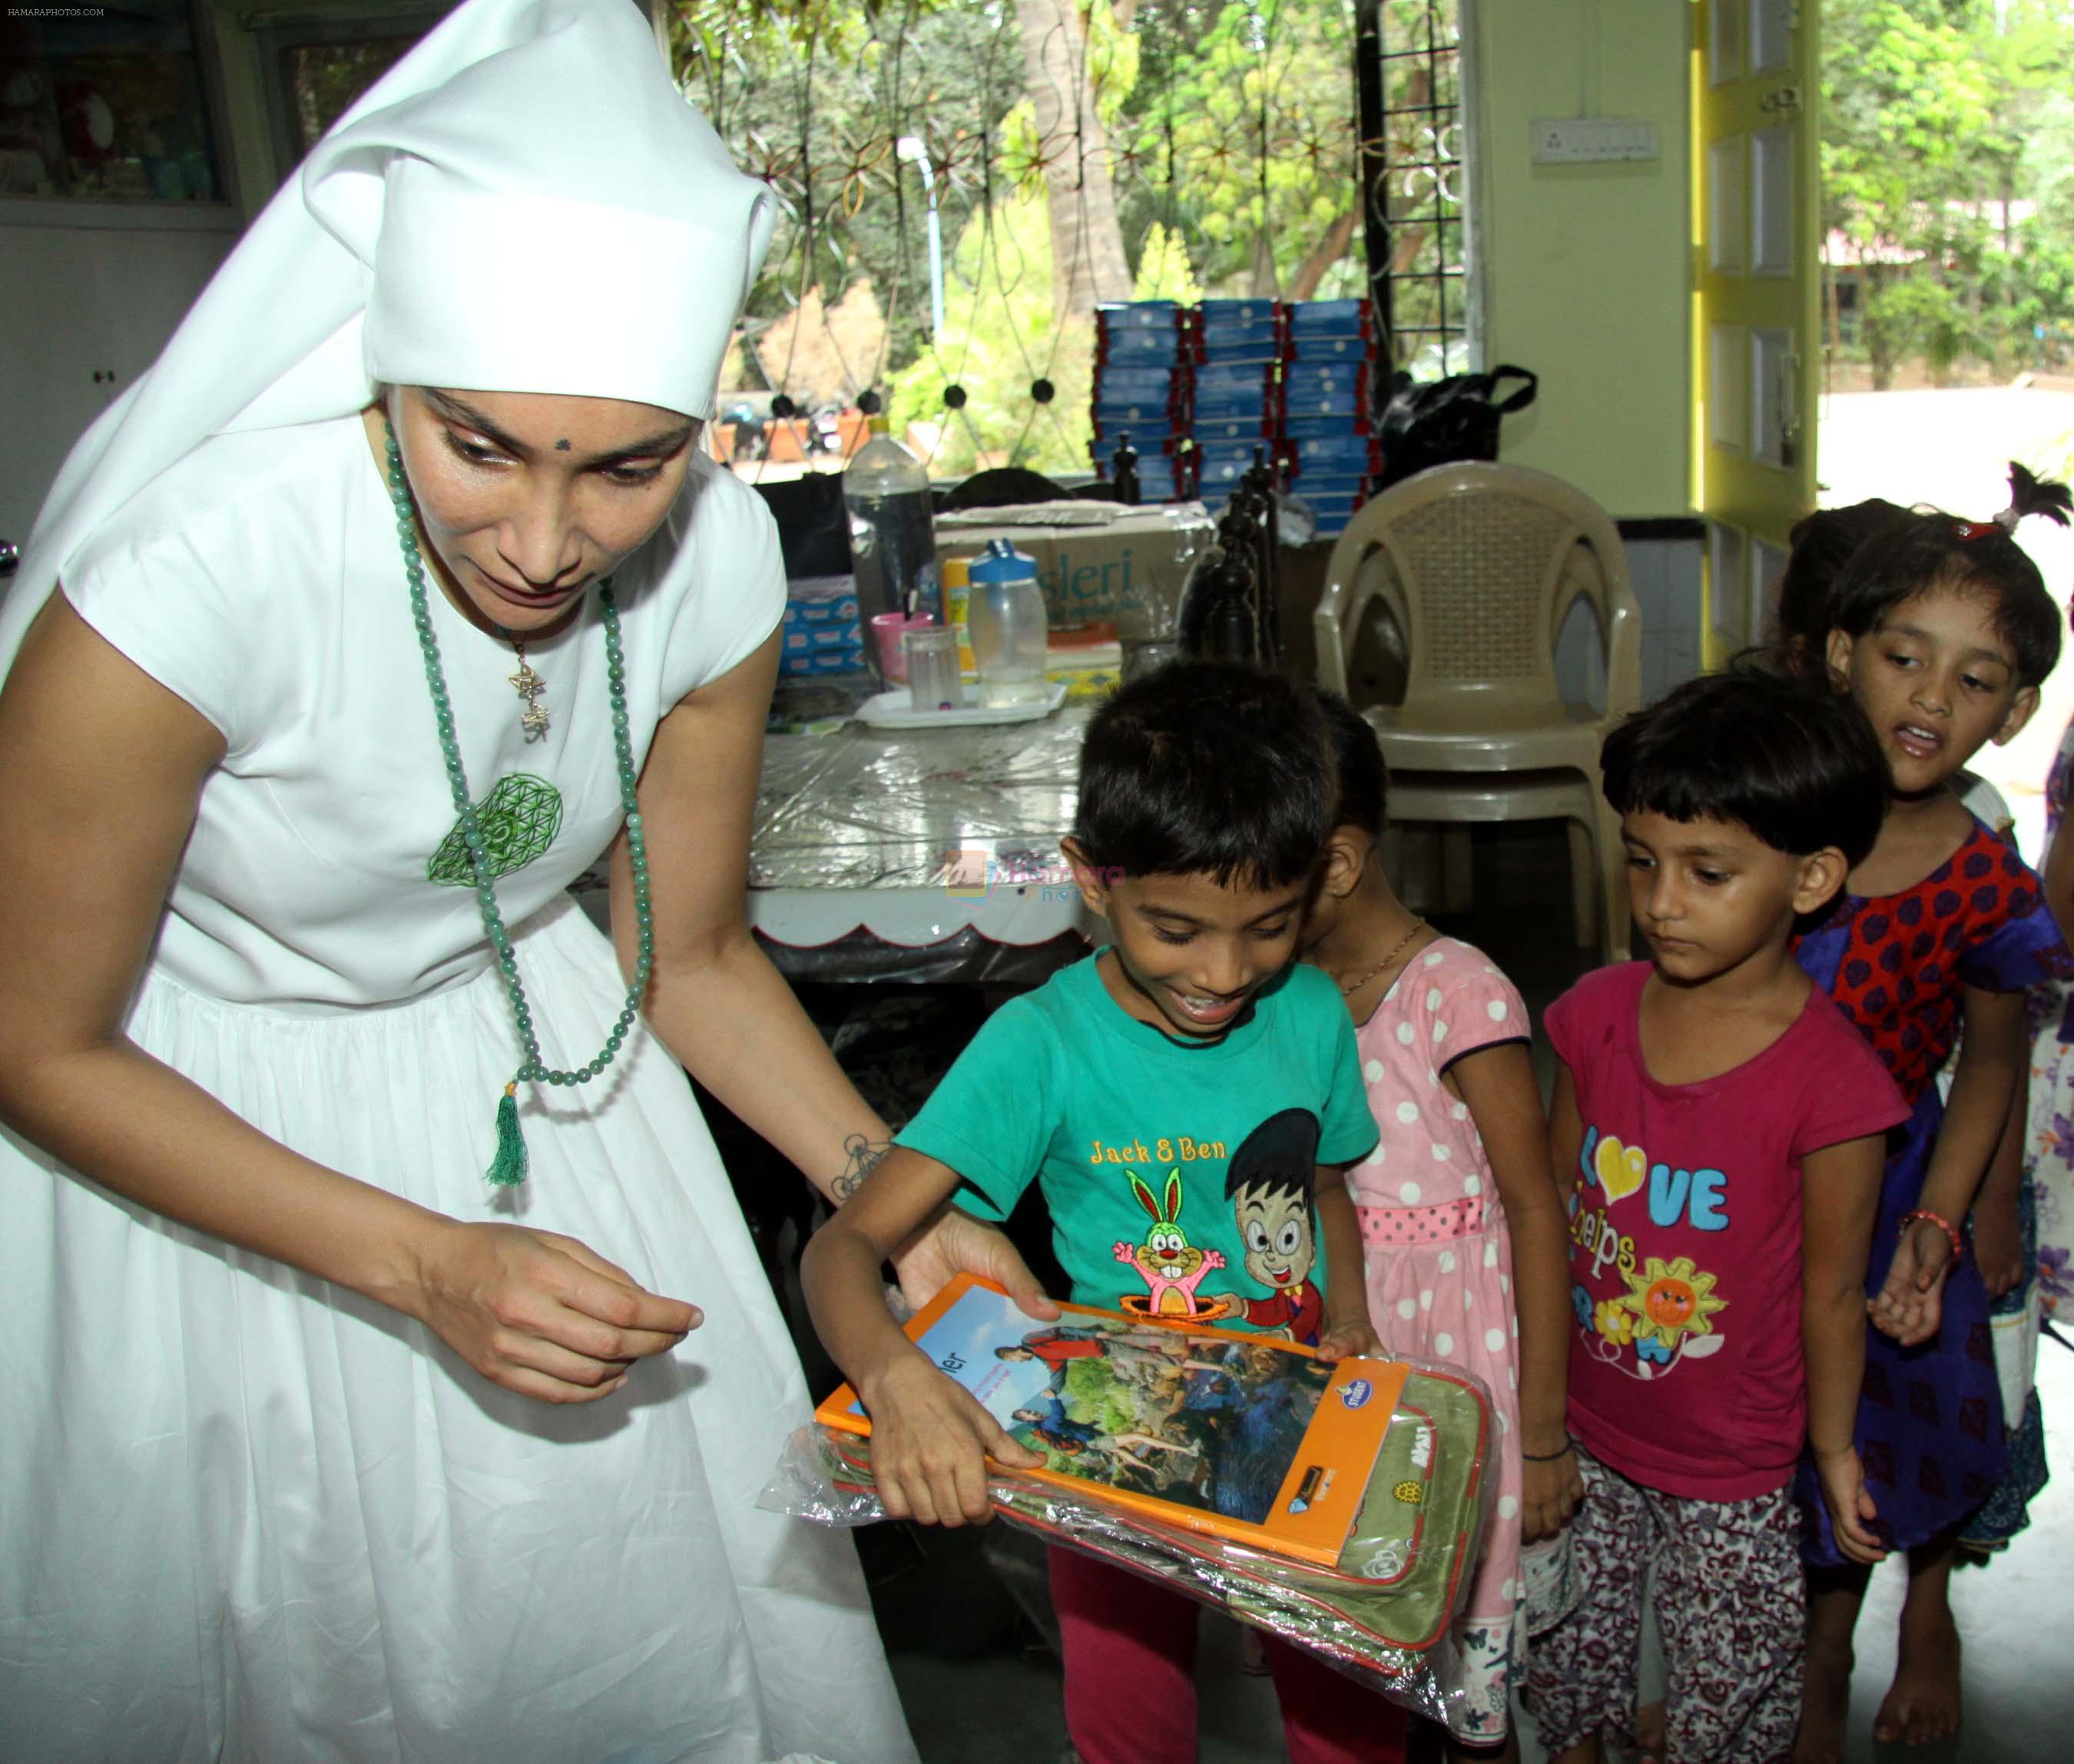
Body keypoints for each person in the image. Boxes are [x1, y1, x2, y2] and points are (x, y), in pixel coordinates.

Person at [0, 3, 1044, 1758]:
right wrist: (420, 1266)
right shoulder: (191, 580)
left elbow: (689, 953)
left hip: (536, 1071)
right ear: (386, 370)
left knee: (601, 1615)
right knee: (281, 1629)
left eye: (625, 465)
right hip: (188, 1111)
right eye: (477, 447)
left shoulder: (710, 570)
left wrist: (891, 1192)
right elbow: (37, 1043)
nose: (547, 544)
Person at [800, 660, 1408, 1764]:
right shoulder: (1042, 1044)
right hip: (1116, 1437)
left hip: (1300, 1418)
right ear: (1090, 878)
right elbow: (844, 1246)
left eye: (1270, 925)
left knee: (1348, 1709)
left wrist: (1352, 1316)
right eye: (1176, 928)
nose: (1225, 973)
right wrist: (895, 1381)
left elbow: (1322, 1176)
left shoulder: (1310, 1008)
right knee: (1129, 1722)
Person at [1526, 668, 1910, 1764]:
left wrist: (1833, 1451)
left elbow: (1833, 1289)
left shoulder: (1833, 1084)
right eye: (1642, 859)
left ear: (1812, 877)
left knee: (1729, 1690)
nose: (1660, 902)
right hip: (1590, 1434)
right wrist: (1539, 1407)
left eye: (1708, 871)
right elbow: (1554, 1212)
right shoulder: (1593, 1016)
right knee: (1568, 1657)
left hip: (1734, 1460)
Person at [1788, 468, 2073, 1761]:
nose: (1931, 698)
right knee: (1792, 1403)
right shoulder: (1778, 822)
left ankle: (1931, 1605)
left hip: (1911, 1172)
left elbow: (1996, 1055)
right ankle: (1821, 1635)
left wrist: (1953, 1223)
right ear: (1845, 654)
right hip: (1772, 1171)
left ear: (2014, 714)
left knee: (1929, 1389)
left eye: (1974, 681)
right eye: (1907, 657)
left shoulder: (1984, 873)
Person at [1299, 690, 1579, 1757]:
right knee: (1372, 1633)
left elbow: (1532, 1204)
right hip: (1357, 1351)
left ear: (1334, 860)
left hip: (1466, 1361)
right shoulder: (1289, 995)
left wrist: (1544, 1436)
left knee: (1471, 1680)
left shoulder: (1457, 991)